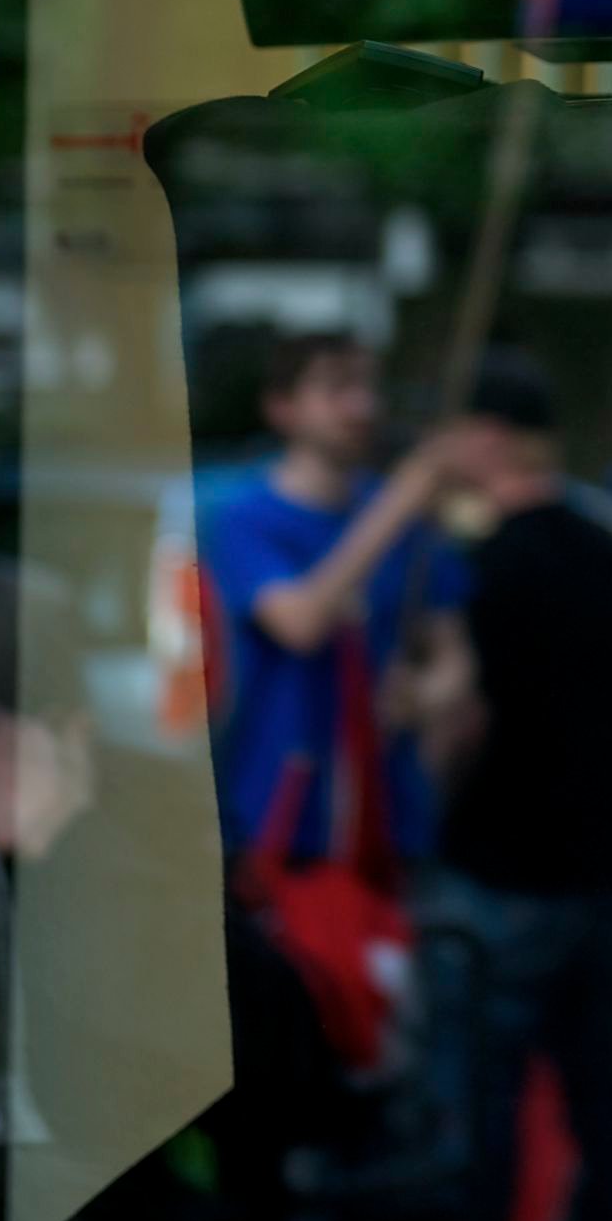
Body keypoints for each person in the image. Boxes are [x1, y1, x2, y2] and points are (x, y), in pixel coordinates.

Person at [422, 351, 612, 1221]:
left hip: (501, 869)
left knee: (478, 1101)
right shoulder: (609, 557)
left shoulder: (486, 568)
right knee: (600, 1093)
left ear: (487, 438)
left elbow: (460, 717)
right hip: (596, 869)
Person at [200, 330, 472, 868]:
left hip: (386, 819)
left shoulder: (399, 518)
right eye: (336, 388)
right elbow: (300, 624)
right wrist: (399, 505)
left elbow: (455, 654)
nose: (361, 406)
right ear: (282, 408)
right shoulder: (246, 519)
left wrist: (423, 694)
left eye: (368, 387)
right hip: (277, 818)